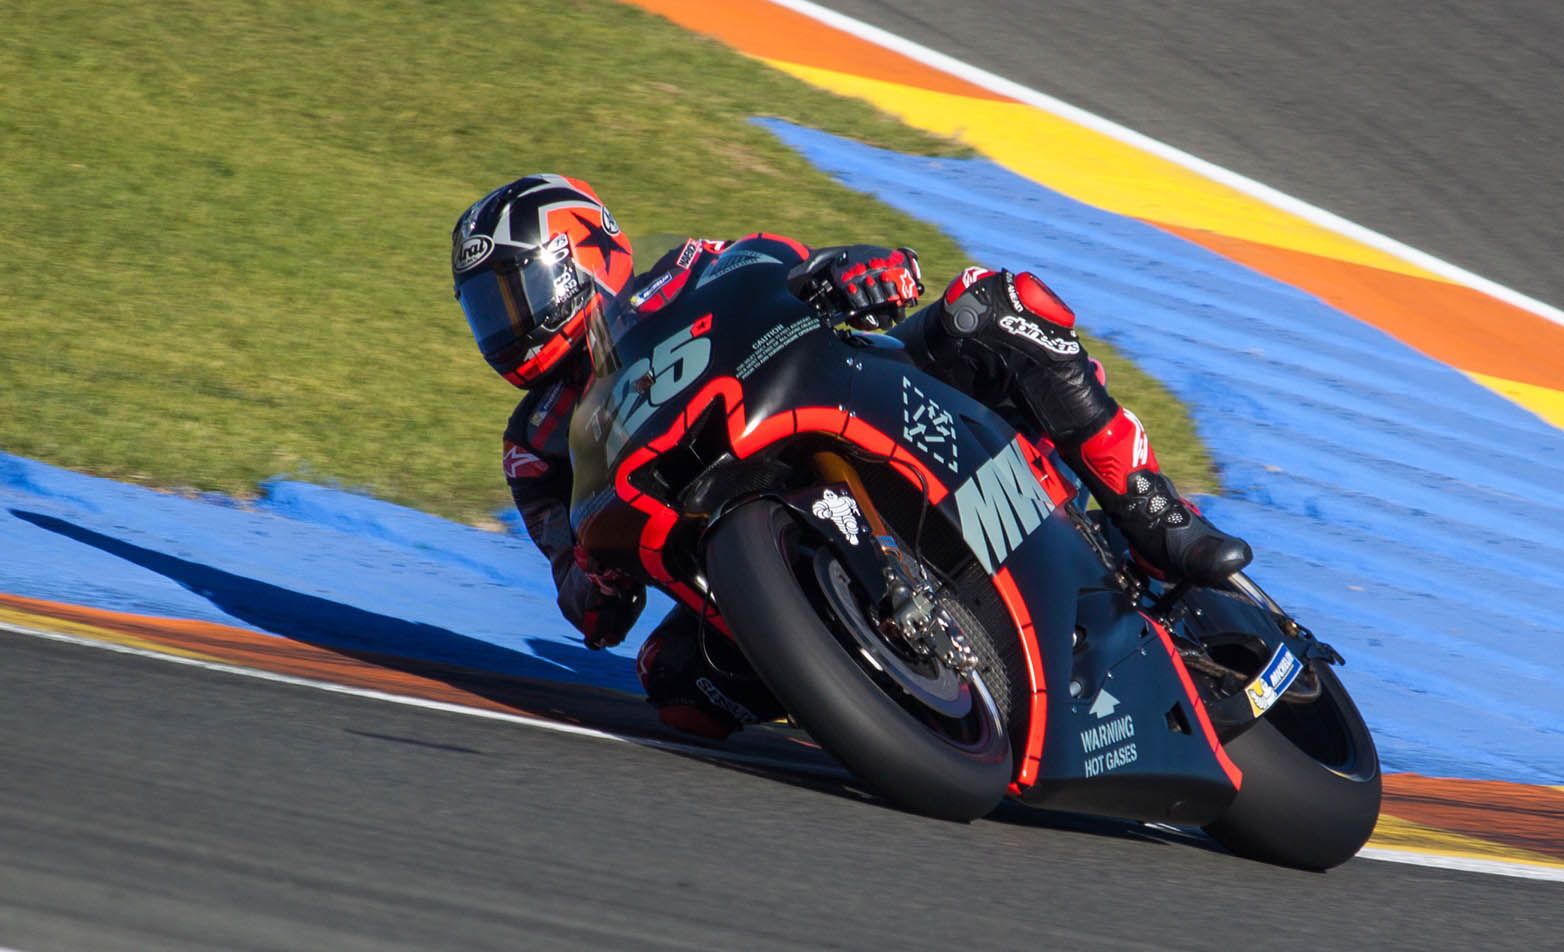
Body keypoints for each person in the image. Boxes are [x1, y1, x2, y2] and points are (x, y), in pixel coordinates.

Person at [451, 174, 1251, 739]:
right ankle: (862, 678)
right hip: (715, 523)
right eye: (488, 311)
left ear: (580, 255)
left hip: (853, 393)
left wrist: (858, 268)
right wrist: (595, 579)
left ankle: (1152, 512)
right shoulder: (533, 446)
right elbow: (579, 595)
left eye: (515, 294)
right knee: (676, 688)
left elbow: (782, 263)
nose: (505, 327)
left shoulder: (683, 268)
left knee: (990, 306)